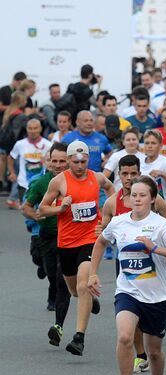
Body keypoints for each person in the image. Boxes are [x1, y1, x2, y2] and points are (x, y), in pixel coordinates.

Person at [88, 176, 166, 375]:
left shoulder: (161, 225)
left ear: (153, 199)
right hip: (127, 291)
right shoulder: (119, 222)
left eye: (143, 195)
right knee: (124, 337)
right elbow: (101, 242)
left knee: (154, 351)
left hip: (155, 297)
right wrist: (93, 273)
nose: (137, 199)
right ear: (127, 198)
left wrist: (154, 249)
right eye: (133, 195)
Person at [100, 154, 166, 372]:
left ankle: (150, 347)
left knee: (149, 301)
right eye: (124, 174)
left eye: (133, 173)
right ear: (118, 176)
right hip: (125, 262)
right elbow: (103, 233)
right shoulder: (112, 202)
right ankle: (139, 354)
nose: (128, 178)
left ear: (139, 173)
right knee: (130, 305)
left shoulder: (152, 198)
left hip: (156, 260)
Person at [38, 140, 115, 355]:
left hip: (91, 239)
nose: (80, 165)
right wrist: (60, 208)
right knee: (74, 290)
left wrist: (109, 217)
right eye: (76, 161)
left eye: (84, 160)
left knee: (83, 286)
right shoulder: (58, 182)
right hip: (67, 243)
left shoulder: (97, 177)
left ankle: (79, 337)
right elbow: (42, 209)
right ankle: (90, 299)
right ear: (69, 160)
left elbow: (112, 191)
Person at [23, 143, 70, 346]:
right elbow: (27, 206)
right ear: (49, 161)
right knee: (53, 275)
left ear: (69, 160)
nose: (58, 165)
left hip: (71, 238)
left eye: (62, 161)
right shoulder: (42, 183)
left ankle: (58, 325)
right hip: (48, 237)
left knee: (62, 281)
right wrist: (36, 216)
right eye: (55, 161)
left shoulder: (78, 181)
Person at [8, 119, 52, 201]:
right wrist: (12, 173)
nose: (32, 131)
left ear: (40, 129)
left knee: (39, 209)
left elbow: (54, 160)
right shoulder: (20, 144)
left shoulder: (48, 145)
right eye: (30, 128)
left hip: (41, 182)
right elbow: (11, 157)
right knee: (25, 210)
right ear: (26, 129)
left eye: (35, 128)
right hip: (23, 184)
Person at [140, 130, 166, 198]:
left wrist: (163, 175)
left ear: (160, 146)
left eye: (153, 143)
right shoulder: (139, 161)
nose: (150, 146)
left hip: (162, 205)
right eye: (147, 143)